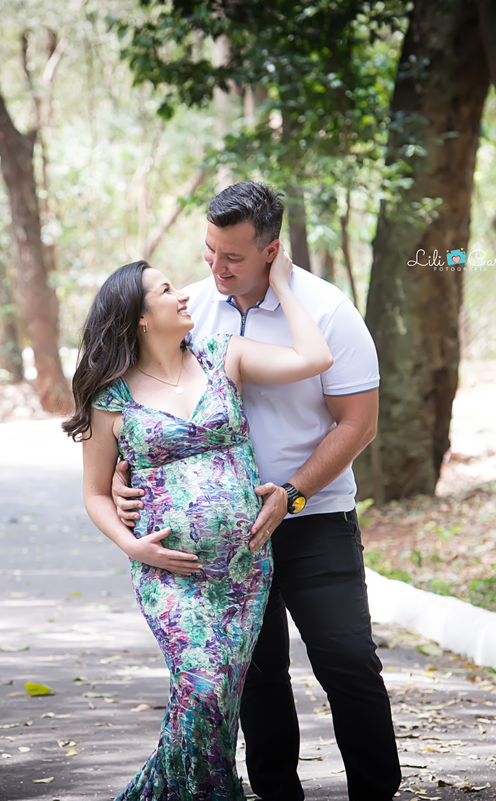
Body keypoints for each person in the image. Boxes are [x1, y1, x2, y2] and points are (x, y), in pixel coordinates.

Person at [111, 181, 401, 801]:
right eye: (210, 250)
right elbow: (144, 398)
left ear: (272, 252)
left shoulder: (326, 312)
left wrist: (290, 494)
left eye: (233, 258)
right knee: (257, 677)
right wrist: (121, 471)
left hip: (313, 516)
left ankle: (376, 794)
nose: (216, 268)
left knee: (347, 663)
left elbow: (361, 423)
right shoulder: (193, 309)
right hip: (233, 543)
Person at [63, 248, 333, 799]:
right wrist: (133, 546)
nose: (183, 294)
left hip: (243, 573)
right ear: (139, 317)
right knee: (205, 692)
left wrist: (281, 284)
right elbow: (94, 494)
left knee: (215, 711)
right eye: (165, 290)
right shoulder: (109, 398)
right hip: (171, 577)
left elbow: (314, 357)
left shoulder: (221, 354)